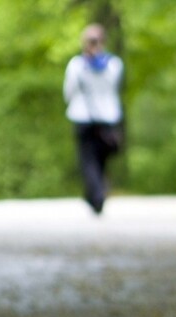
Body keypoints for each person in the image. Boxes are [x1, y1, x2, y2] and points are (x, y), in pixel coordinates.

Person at [63, 24, 124, 215]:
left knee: (89, 160)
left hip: (84, 117)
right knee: (98, 160)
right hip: (106, 118)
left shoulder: (77, 65)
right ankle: (97, 193)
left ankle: (96, 195)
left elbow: (69, 91)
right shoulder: (114, 64)